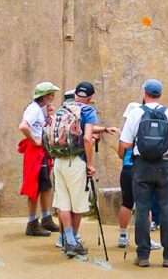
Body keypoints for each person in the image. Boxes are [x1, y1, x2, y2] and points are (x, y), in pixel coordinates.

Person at [120, 79, 168, 268]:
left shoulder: (136, 113)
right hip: (164, 166)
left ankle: (143, 256)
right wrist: (164, 143)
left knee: (141, 209)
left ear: (144, 93)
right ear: (160, 94)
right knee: (166, 209)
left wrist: (144, 144)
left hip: (141, 166)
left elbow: (125, 144)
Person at [52, 81, 120, 256]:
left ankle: (68, 241)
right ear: (90, 97)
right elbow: (88, 138)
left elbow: (82, 129)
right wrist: (89, 164)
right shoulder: (88, 110)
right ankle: (73, 242)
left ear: (76, 94)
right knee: (79, 205)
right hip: (76, 162)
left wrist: (104, 129)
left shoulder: (64, 108)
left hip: (59, 160)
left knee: (63, 203)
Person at [18, 81, 61, 236]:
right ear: (44, 96)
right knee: (34, 187)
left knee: (45, 186)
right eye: (50, 94)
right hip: (35, 152)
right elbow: (23, 126)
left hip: (40, 152)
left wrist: (49, 116)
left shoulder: (39, 110)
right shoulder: (34, 109)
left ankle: (46, 218)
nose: (53, 97)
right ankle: (32, 222)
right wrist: (35, 140)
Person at [117, 101, 161, 251]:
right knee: (145, 204)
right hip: (142, 169)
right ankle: (146, 238)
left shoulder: (125, 132)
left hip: (127, 169)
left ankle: (123, 237)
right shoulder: (147, 130)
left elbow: (120, 153)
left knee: (126, 202)